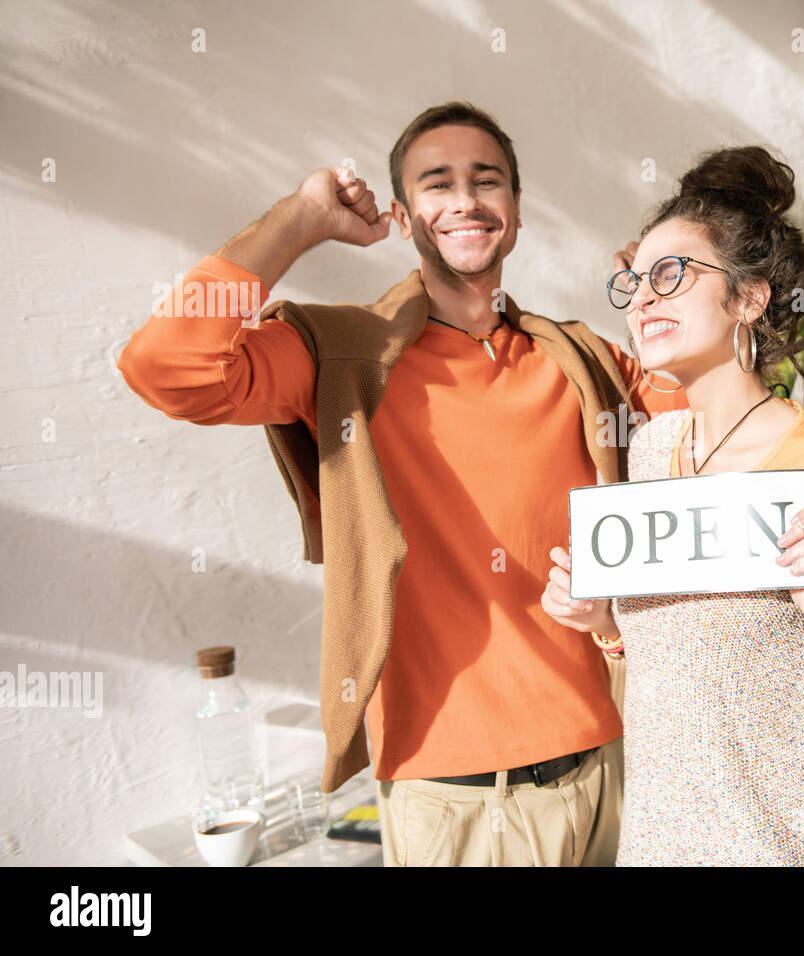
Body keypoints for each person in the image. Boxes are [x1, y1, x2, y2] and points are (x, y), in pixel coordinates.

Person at [116, 102, 688, 866]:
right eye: (436, 183)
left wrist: (669, 303)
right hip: (455, 796)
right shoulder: (344, 358)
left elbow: (702, 446)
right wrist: (302, 216)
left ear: (515, 211)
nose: (465, 200)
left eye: (487, 181)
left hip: (607, 762)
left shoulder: (579, 359)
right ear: (405, 214)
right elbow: (166, 367)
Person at [541, 146, 804, 865]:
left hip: (782, 843)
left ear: (749, 297)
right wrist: (605, 621)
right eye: (635, 280)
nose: (642, 299)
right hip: (661, 837)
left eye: (670, 275)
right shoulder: (650, 451)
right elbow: (675, 649)